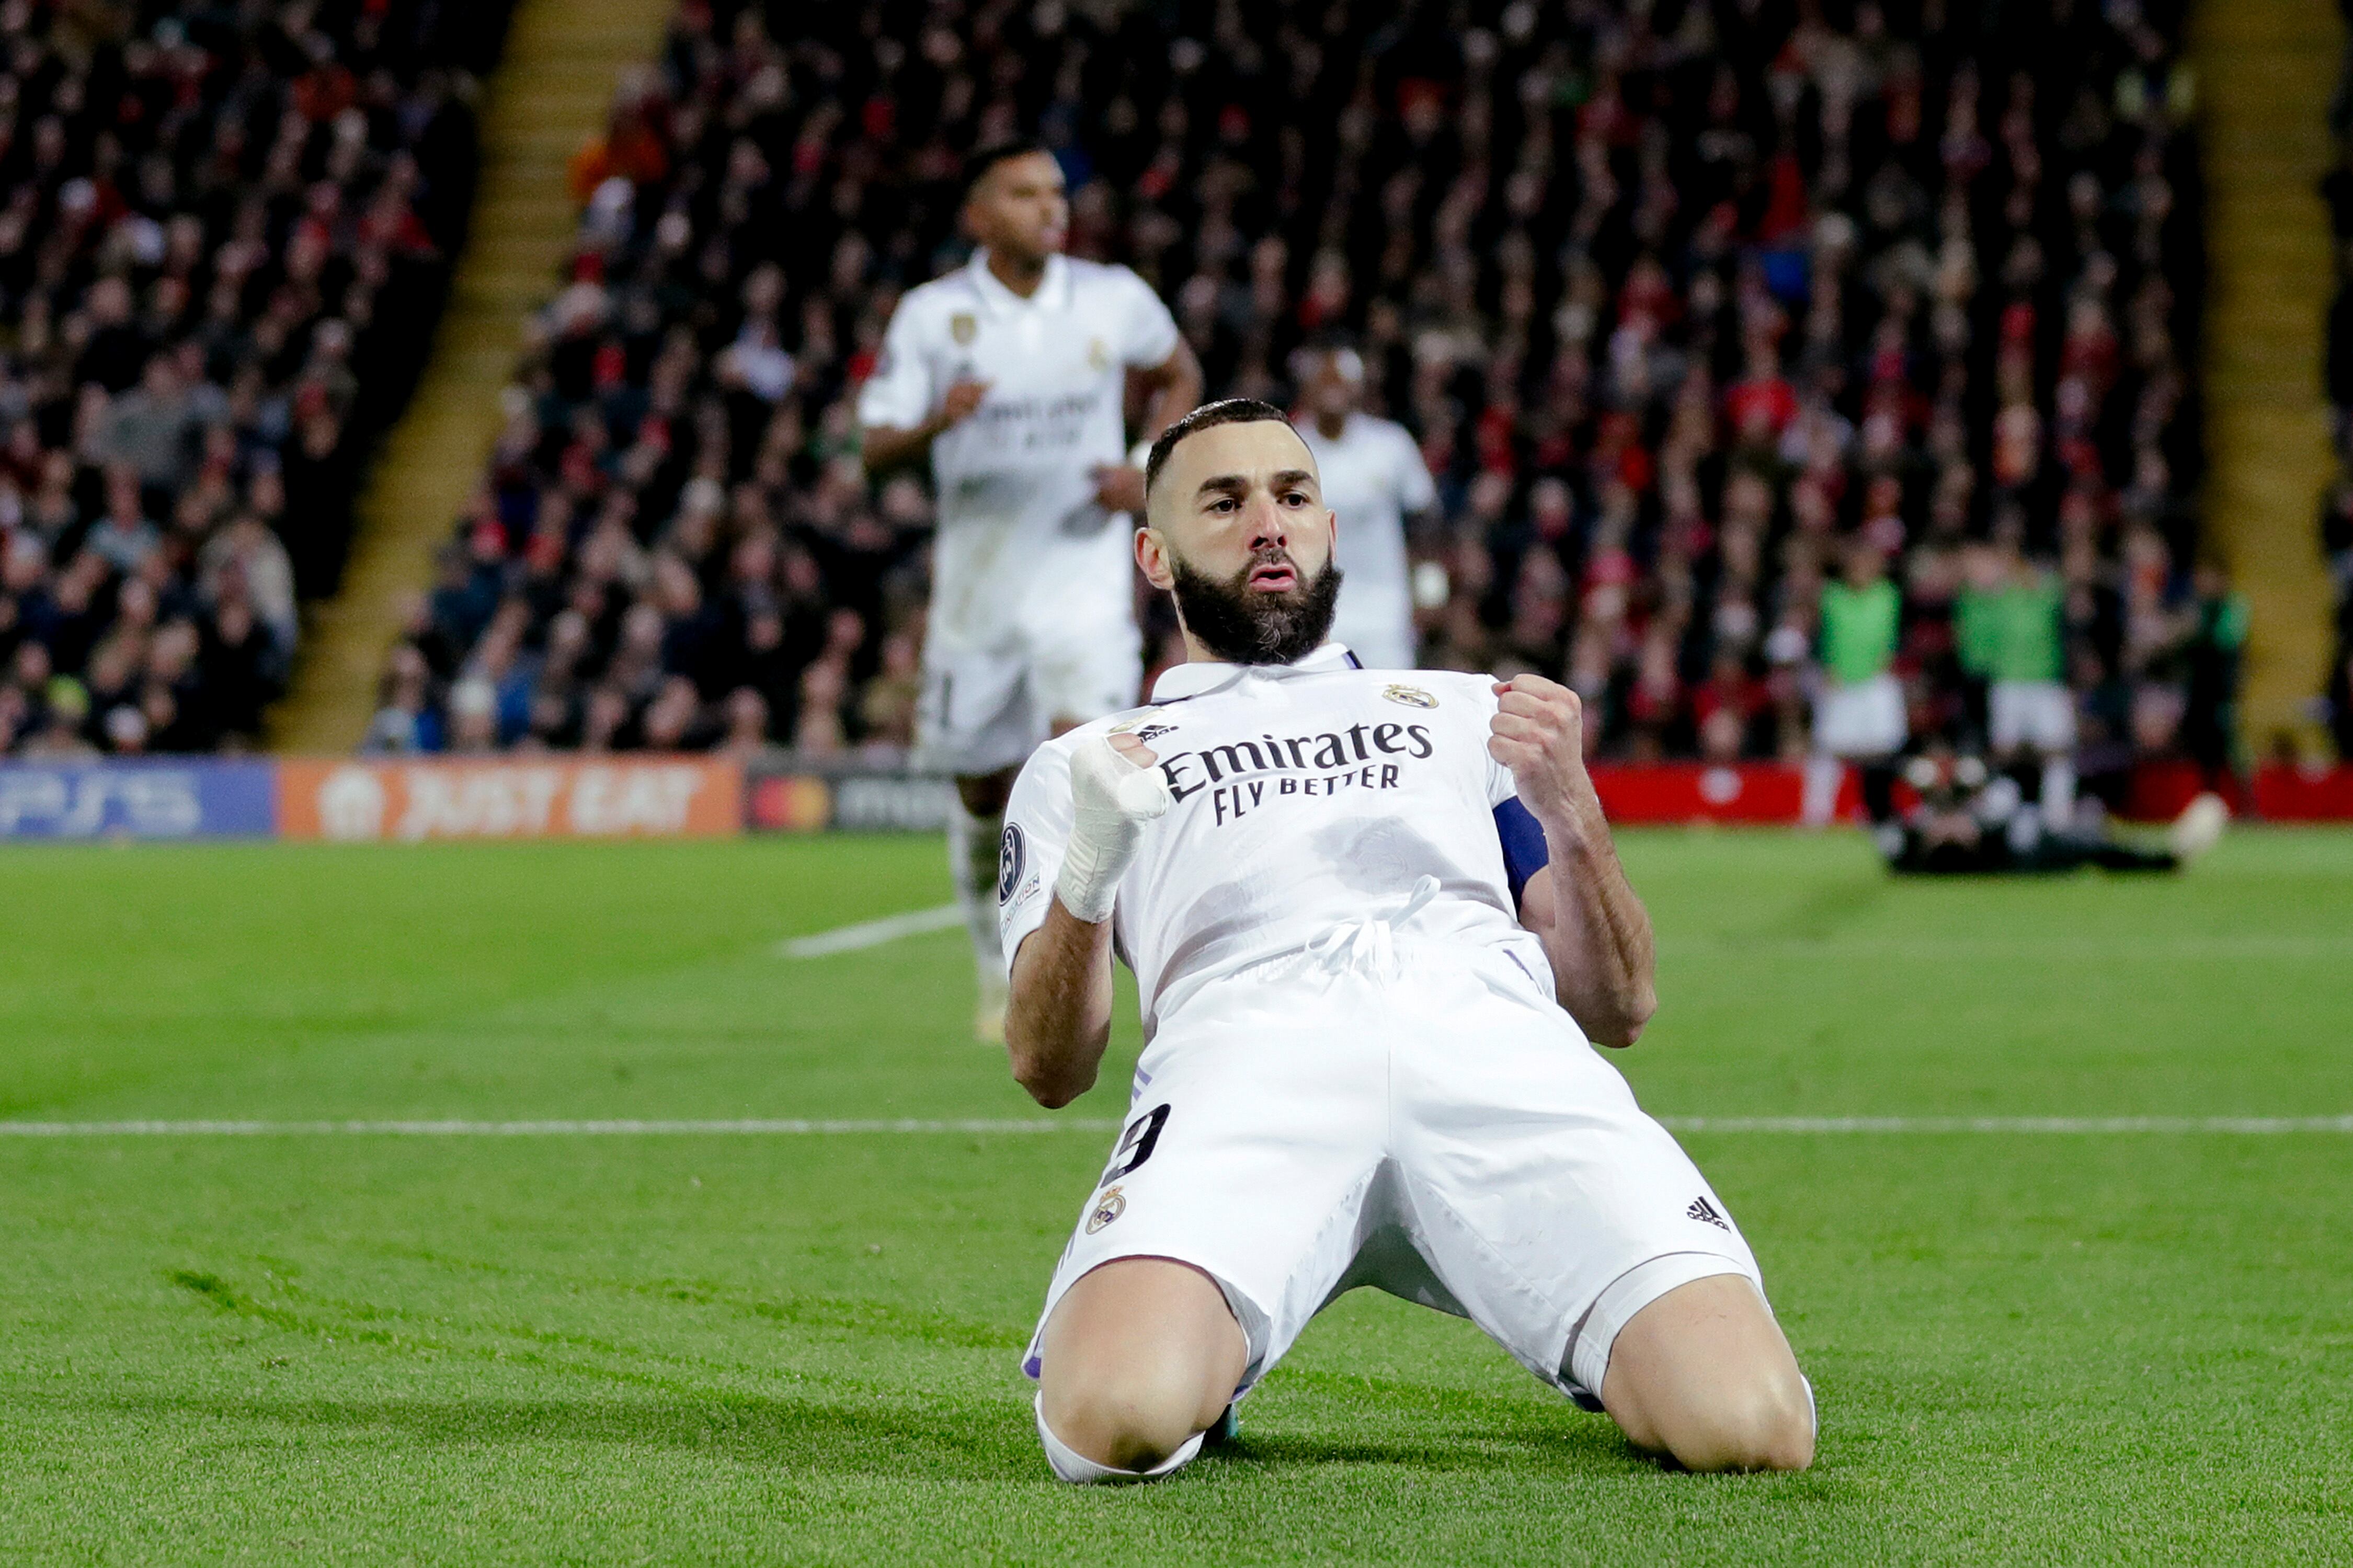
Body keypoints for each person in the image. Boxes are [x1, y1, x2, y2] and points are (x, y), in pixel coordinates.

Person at [996, 399, 1814, 1483]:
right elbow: (1051, 1066)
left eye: (1292, 497)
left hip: (1495, 1057)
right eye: (1225, 501)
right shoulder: (1091, 763)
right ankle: (1210, 1348)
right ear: (1155, 553)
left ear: (1331, 526)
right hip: (1249, 1074)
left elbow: (1620, 1005)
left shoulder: (1466, 709)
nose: (1268, 524)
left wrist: (1574, 811)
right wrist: (1095, 856)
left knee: (1752, 1428)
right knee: (1112, 1422)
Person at [860, 140, 1203, 1040]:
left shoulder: (1112, 295)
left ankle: (1108, 981)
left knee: (1092, 765)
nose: (1051, 207)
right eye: (1025, 193)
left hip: (1083, 577)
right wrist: (943, 419)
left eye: (1056, 191)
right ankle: (991, 965)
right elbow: (875, 443)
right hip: (978, 592)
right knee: (982, 790)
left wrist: (1145, 465)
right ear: (979, 214)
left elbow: (1179, 370)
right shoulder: (934, 318)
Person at [1289, 346, 1437, 669]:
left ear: (1357, 388)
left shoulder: (1390, 444)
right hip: (1315, 613)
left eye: (1340, 382)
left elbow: (1426, 525)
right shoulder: (1290, 448)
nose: (1332, 391)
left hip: (1385, 610)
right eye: (1324, 381)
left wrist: (1429, 594)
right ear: (1308, 388)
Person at [1957, 531, 2077, 838]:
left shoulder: (2049, 591)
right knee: (2006, 750)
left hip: (2047, 682)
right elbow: (1974, 647)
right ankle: (2003, 811)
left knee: (2056, 748)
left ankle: (2058, 815)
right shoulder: (1991, 599)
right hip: (2008, 683)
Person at [1804, 540, 1906, 834]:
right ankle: (1816, 815)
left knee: (1882, 750)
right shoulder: (1832, 597)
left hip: (1876, 683)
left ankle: (1878, 811)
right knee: (1827, 750)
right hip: (1840, 684)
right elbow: (1823, 637)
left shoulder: (1888, 595)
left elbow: (1894, 637)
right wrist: (1826, 667)